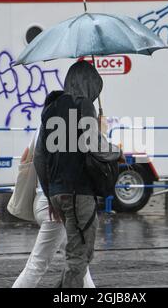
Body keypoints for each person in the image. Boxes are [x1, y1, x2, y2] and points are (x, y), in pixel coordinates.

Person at [33, 61, 121, 288]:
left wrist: (50, 191)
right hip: (79, 192)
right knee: (79, 256)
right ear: (90, 84)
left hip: (57, 193)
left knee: (78, 254)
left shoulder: (50, 108)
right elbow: (92, 143)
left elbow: (39, 157)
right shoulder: (84, 105)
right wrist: (115, 149)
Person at [12, 121, 95, 288]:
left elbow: (26, 156)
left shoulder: (42, 124)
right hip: (57, 207)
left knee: (78, 260)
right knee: (37, 264)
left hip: (40, 201)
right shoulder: (71, 128)